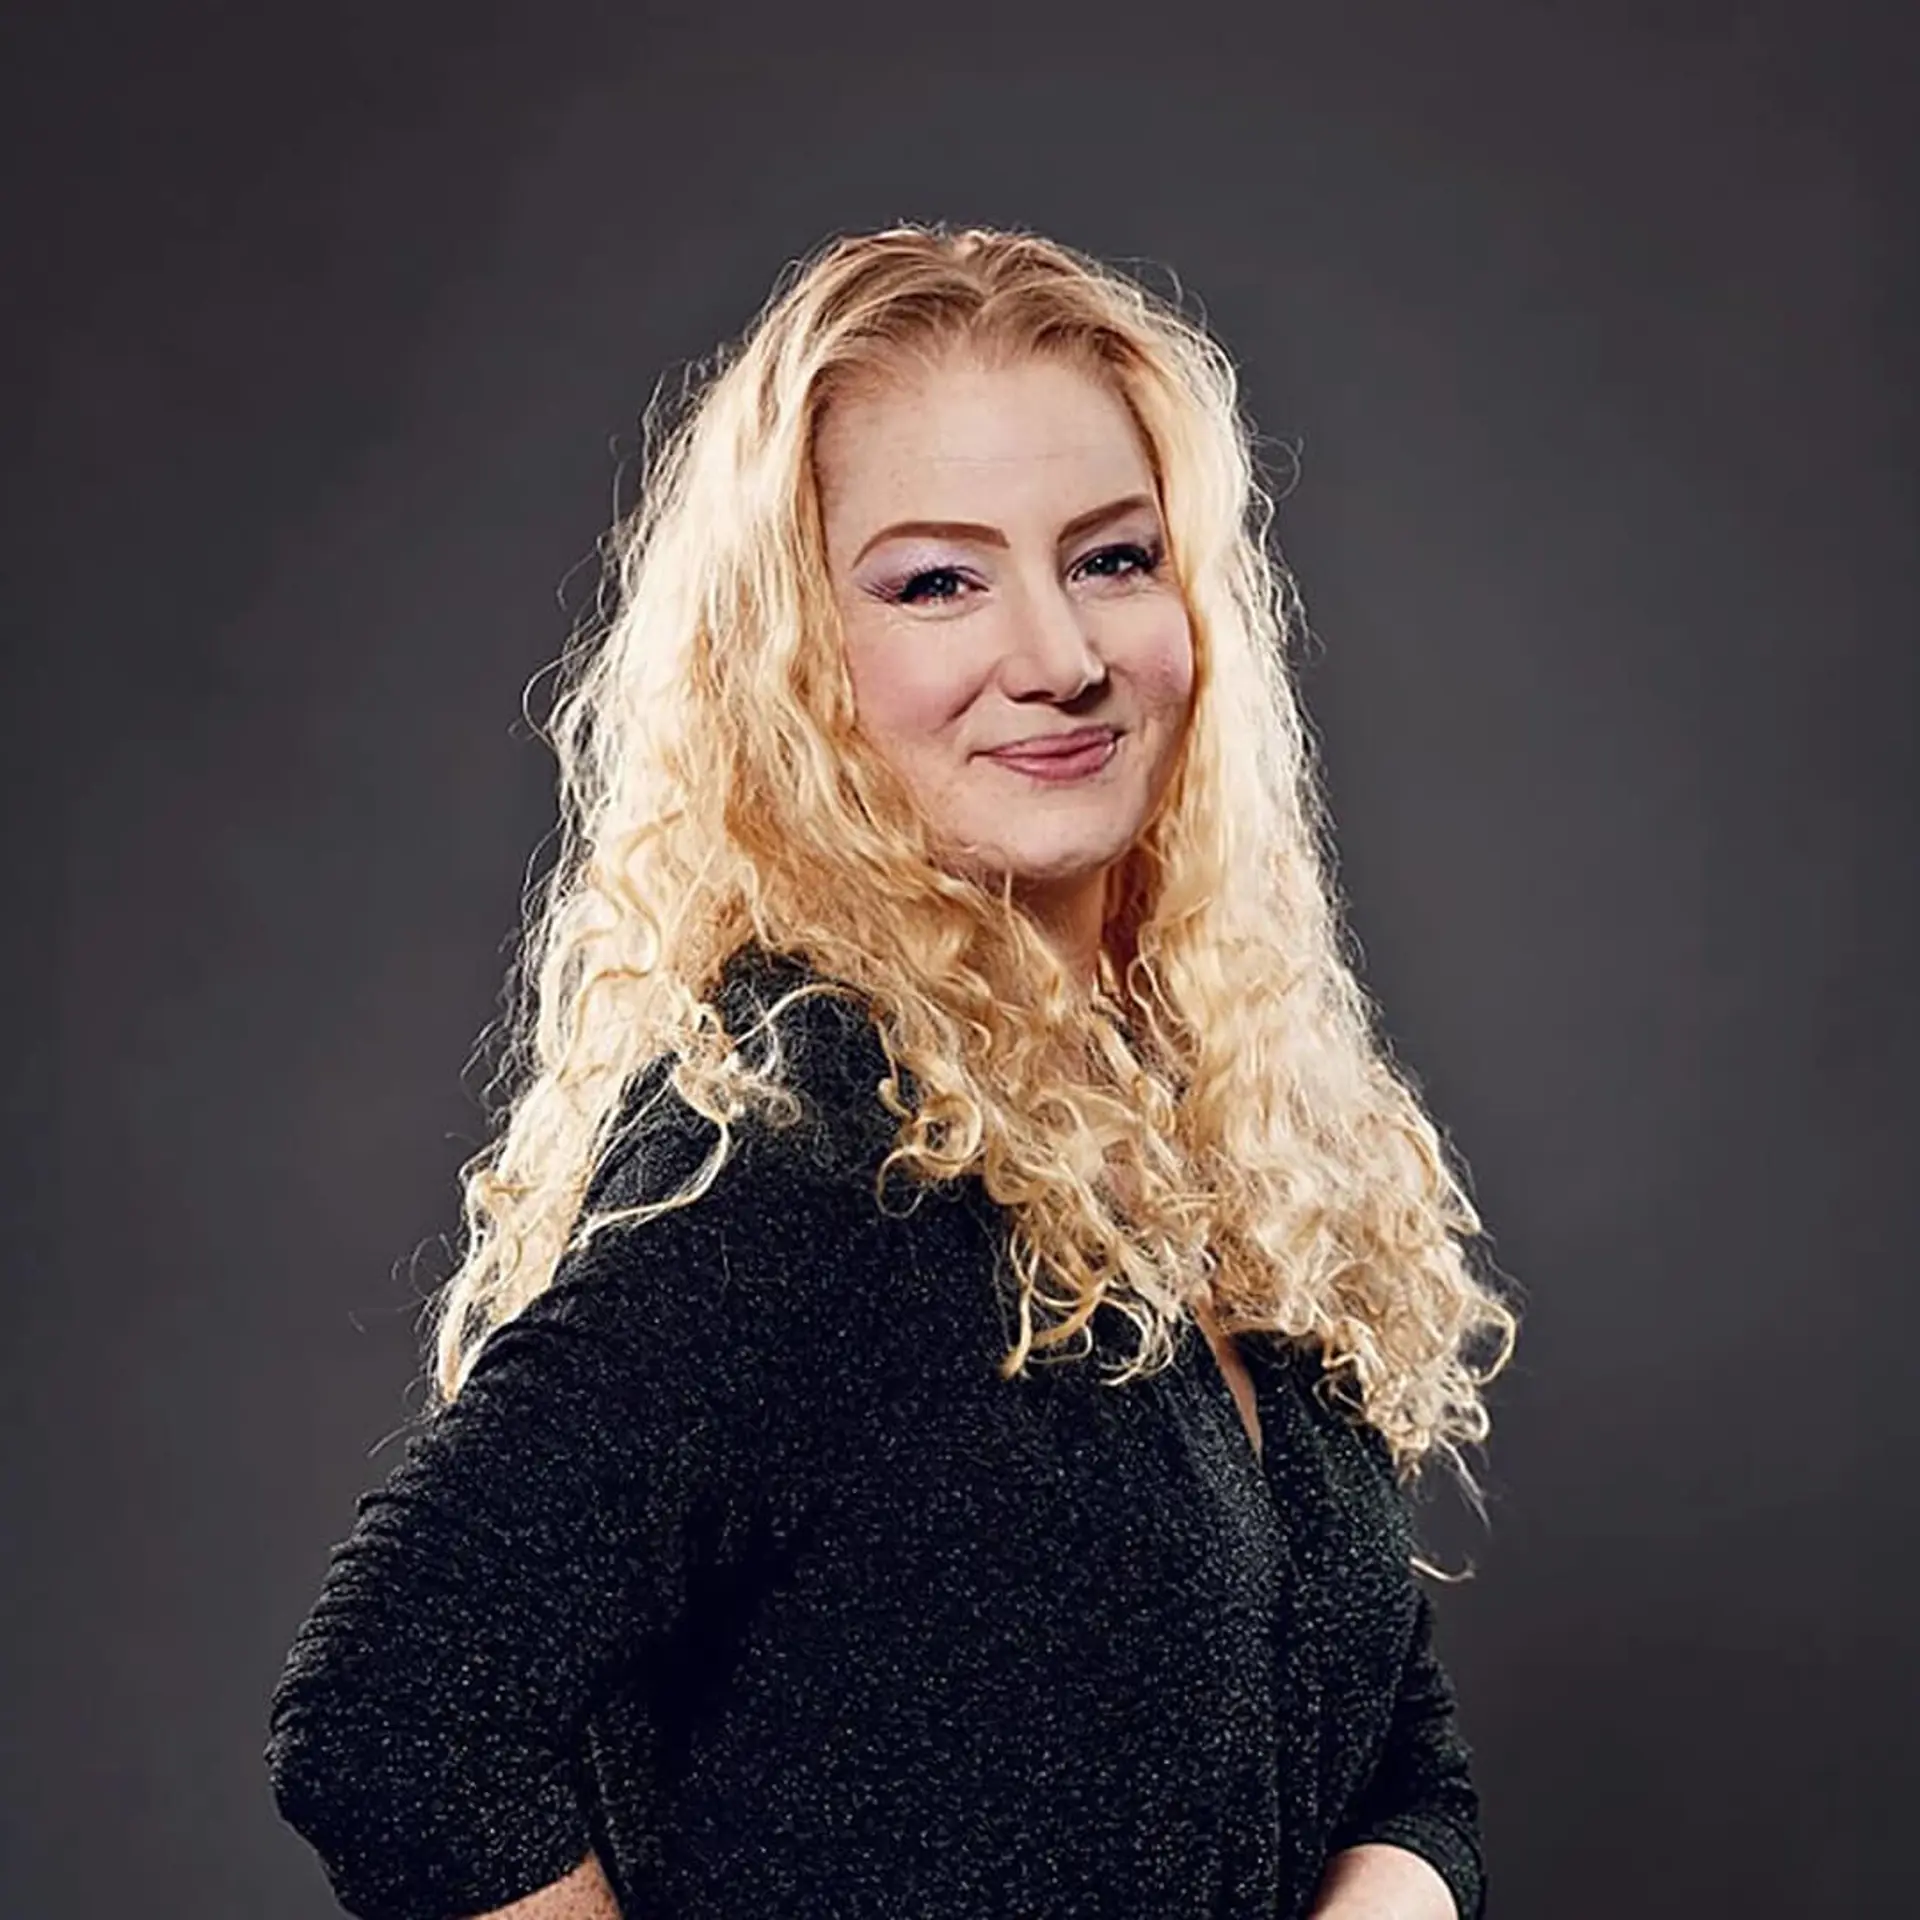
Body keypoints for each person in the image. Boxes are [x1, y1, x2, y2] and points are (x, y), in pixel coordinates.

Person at [264, 221, 1518, 1920]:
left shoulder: (1209, 1129)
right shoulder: (809, 1136)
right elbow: (396, 1719)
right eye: (938, 582)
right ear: (795, 661)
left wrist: (1396, 1891)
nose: (1059, 657)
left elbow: (1388, 1750)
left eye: (1114, 557)